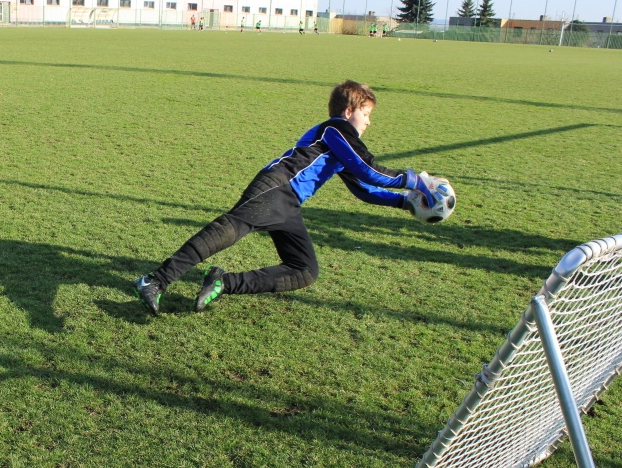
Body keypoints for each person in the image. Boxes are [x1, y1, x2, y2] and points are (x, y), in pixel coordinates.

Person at [133, 80, 444, 315]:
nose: (369, 121)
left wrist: (404, 201)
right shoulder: (334, 130)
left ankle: (223, 282)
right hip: (276, 186)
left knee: (304, 270)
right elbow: (368, 170)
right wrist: (415, 180)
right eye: (365, 113)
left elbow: (362, 187)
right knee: (228, 230)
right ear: (349, 112)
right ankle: (155, 280)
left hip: (289, 204)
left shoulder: (341, 145)